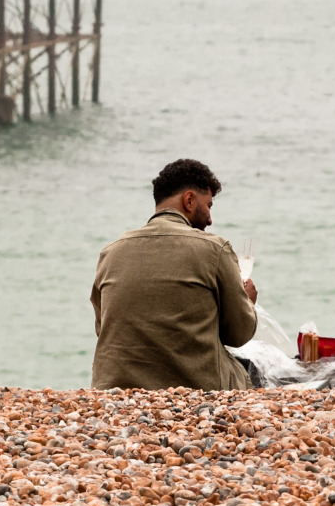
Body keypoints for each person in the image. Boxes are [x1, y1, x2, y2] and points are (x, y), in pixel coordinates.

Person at [91, 158, 259, 390]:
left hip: (113, 390)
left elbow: (104, 327)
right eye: (208, 205)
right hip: (195, 388)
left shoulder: (110, 252)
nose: (210, 219)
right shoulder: (214, 249)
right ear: (189, 200)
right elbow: (238, 335)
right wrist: (248, 303)